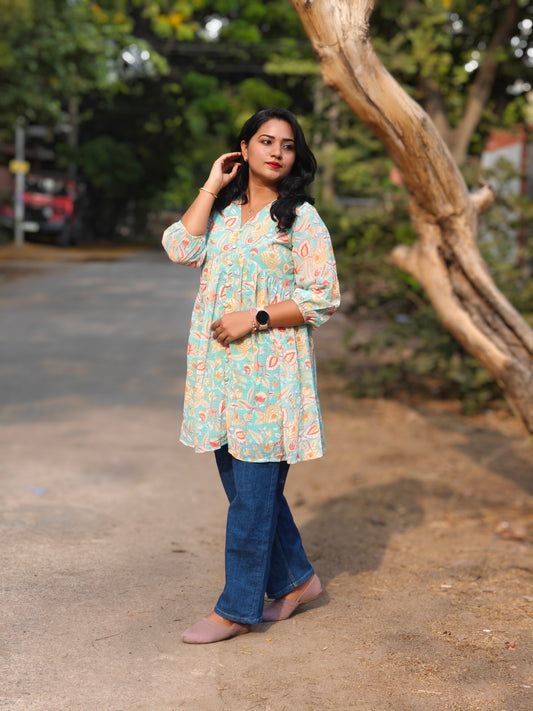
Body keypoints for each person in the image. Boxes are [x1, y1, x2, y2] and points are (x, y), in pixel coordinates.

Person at [162, 107, 340, 644]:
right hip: (218, 376)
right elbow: (179, 247)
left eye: (287, 145)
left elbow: (322, 297)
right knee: (249, 494)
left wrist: (255, 317)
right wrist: (212, 186)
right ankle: (297, 580)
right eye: (266, 141)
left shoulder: (301, 219)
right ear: (243, 148)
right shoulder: (222, 215)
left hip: (270, 376)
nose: (277, 152)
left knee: (250, 503)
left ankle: (237, 608)